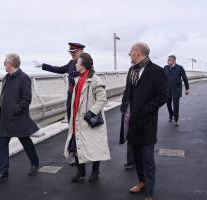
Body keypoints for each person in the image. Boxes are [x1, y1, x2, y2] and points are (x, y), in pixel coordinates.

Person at [119, 42, 167, 200]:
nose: (129, 54)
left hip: (146, 122)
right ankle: (141, 182)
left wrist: (145, 109)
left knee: (147, 159)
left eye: (131, 51)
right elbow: (128, 91)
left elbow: (162, 96)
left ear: (138, 53)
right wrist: (124, 105)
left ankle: (149, 192)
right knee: (136, 156)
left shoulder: (156, 71)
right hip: (131, 121)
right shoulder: (132, 70)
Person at [0, 54, 40, 184]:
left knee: (26, 142)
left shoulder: (24, 78)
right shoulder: (6, 77)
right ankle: (3, 173)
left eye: (5, 62)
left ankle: (34, 163)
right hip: (5, 119)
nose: (4, 64)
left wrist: (15, 110)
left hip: (18, 118)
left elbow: (26, 99)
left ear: (11, 64)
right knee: (2, 144)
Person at [63, 52, 111, 183]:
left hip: (89, 119)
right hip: (77, 119)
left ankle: (95, 171)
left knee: (94, 145)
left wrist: (91, 112)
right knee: (76, 144)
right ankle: (81, 171)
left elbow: (102, 99)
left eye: (77, 62)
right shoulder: (78, 79)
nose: (75, 64)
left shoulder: (95, 79)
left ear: (83, 64)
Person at [36, 42, 85, 166]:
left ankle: (85, 156)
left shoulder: (86, 63)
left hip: (81, 100)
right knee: (72, 128)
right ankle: (77, 157)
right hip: (71, 101)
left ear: (81, 51)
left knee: (81, 129)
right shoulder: (71, 63)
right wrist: (43, 65)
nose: (72, 54)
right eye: (70, 52)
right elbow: (59, 69)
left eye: (74, 52)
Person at [163, 55, 189, 126]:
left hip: (176, 89)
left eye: (169, 60)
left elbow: (185, 78)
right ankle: (171, 115)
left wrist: (187, 89)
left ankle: (176, 119)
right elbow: (162, 78)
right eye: (167, 60)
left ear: (173, 60)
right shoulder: (165, 68)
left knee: (176, 105)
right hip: (167, 90)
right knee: (168, 104)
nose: (167, 61)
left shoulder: (180, 68)